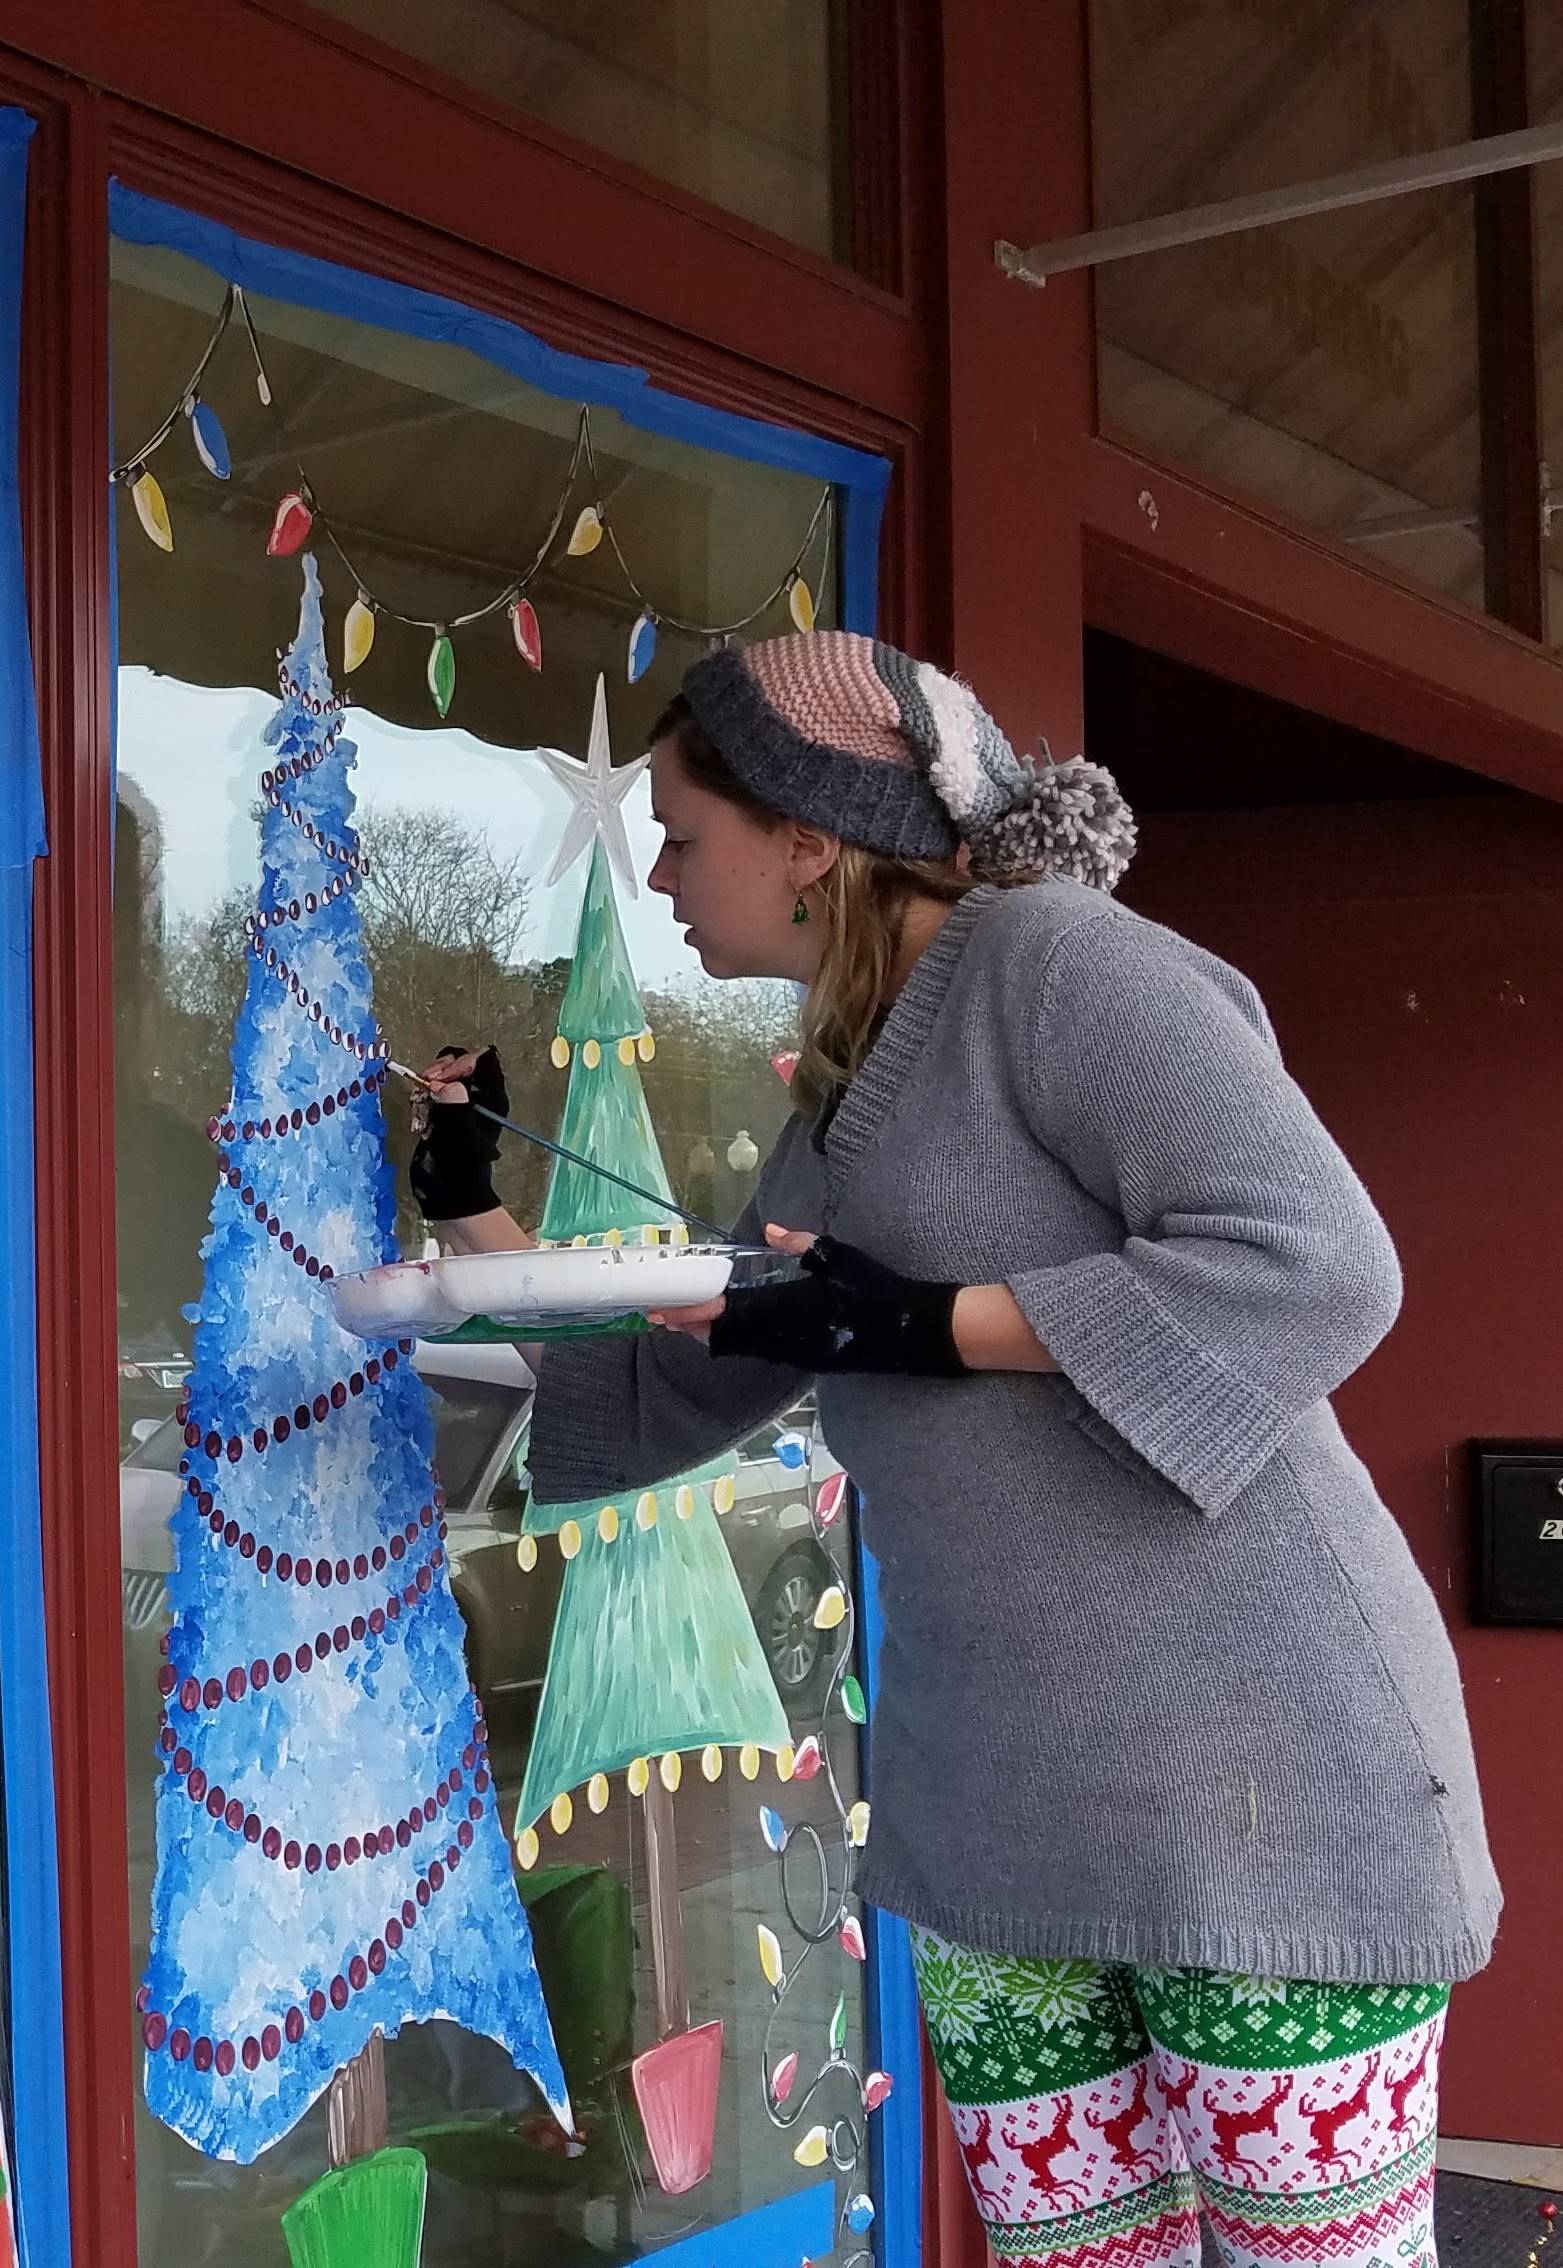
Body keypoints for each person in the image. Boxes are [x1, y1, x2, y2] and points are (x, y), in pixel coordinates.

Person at [411, 631, 1495, 2268]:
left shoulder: (1060, 968)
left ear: (810, 836)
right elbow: (686, 1372)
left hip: (1263, 1786)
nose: (656, 866)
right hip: (997, 1812)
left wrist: (919, 1326)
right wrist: (464, 1207)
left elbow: (1320, 1263)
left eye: (683, 832)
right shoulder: (844, 1083)